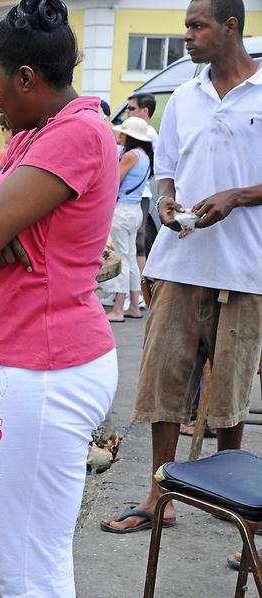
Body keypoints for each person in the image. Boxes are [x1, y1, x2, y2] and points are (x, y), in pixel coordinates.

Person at [0, 0, 119, 594]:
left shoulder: (73, 135)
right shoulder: (34, 134)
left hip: (49, 365)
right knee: (14, 548)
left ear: (25, 78)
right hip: (27, 360)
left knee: (29, 561)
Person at [101, 0, 262, 540]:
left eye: (198, 26)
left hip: (244, 269)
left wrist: (237, 196)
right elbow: (166, 171)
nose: (188, 36)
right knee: (164, 385)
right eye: (187, 26)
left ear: (230, 27)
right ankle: (160, 493)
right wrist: (166, 203)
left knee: (230, 395)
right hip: (181, 261)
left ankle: (232, 499)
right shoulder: (184, 98)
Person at [106, 116, 154, 322]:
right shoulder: (144, 155)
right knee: (131, 259)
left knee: (123, 259)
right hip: (135, 210)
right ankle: (134, 305)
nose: (120, 135)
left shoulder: (130, 155)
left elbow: (112, 181)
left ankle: (118, 308)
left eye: (123, 133)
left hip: (122, 210)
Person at [126, 92, 159, 274]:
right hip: (138, 195)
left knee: (137, 244)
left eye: (131, 108)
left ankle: (139, 289)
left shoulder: (147, 132)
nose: (127, 113)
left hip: (138, 196)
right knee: (134, 244)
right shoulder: (146, 132)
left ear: (145, 111)